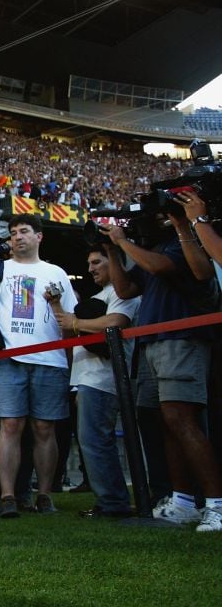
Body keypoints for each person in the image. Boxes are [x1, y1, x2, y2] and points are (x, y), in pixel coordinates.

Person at [102, 211, 222, 532]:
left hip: (181, 339)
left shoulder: (184, 242)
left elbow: (159, 266)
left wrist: (122, 241)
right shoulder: (154, 248)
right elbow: (126, 289)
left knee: (182, 419)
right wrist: (113, 250)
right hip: (153, 341)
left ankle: (216, 503)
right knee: (166, 421)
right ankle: (182, 501)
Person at [0, 214, 76, 518]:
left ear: (39, 236)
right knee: (10, 425)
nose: (17, 237)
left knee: (44, 428)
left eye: (24, 231)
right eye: (13, 232)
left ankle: (44, 494)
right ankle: (7, 495)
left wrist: (68, 362)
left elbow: (68, 322)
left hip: (50, 358)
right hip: (10, 358)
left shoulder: (56, 272)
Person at [52, 248, 138, 518]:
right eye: (88, 263)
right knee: (93, 440)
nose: (90, 268)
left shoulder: (122, 293)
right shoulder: (100, 296)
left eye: (97, 262)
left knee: (95, 440)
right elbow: (71, 326)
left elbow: (115, 322)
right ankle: (109, 501)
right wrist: (59, 309)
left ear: (115, 262)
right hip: (87, 378)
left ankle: (113, 503)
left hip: (103, 377)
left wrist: (76, 321)